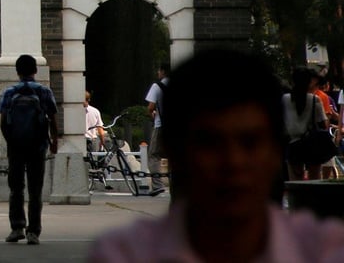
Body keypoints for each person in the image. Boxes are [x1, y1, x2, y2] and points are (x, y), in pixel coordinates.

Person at [88, 49, 344, 262]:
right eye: (211, 143)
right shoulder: (123, 255)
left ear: (275, 148)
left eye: (250, 142)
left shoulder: (326, 252)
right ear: (176, 151)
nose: (233, 162)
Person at [0, 54, 58, 246]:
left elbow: (3, 121)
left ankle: (17, 228)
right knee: (35, 190)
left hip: (16, 147)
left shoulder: (10, 92)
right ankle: (34, 232)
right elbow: (52, 118)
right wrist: (54, 140)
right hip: (37, 146)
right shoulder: (43, 91)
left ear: (17, 71)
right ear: (35, 70)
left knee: (16, 189)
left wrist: (10, 141)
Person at [284, 66, 328, 180]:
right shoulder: (314, 99)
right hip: (312, 144)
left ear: (292, 81)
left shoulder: (284, 99)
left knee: (295, 180)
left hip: (292, 144)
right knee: (315, 179)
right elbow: (323, 124)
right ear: (309, 82)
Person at [144, 62, 170, 194]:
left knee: (154, 155)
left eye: (159, 71)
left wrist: (152, 114)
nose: (158, 73)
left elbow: (150, 107)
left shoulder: (157, 86)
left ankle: (157, 184)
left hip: (161, 125)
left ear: (163, 72)